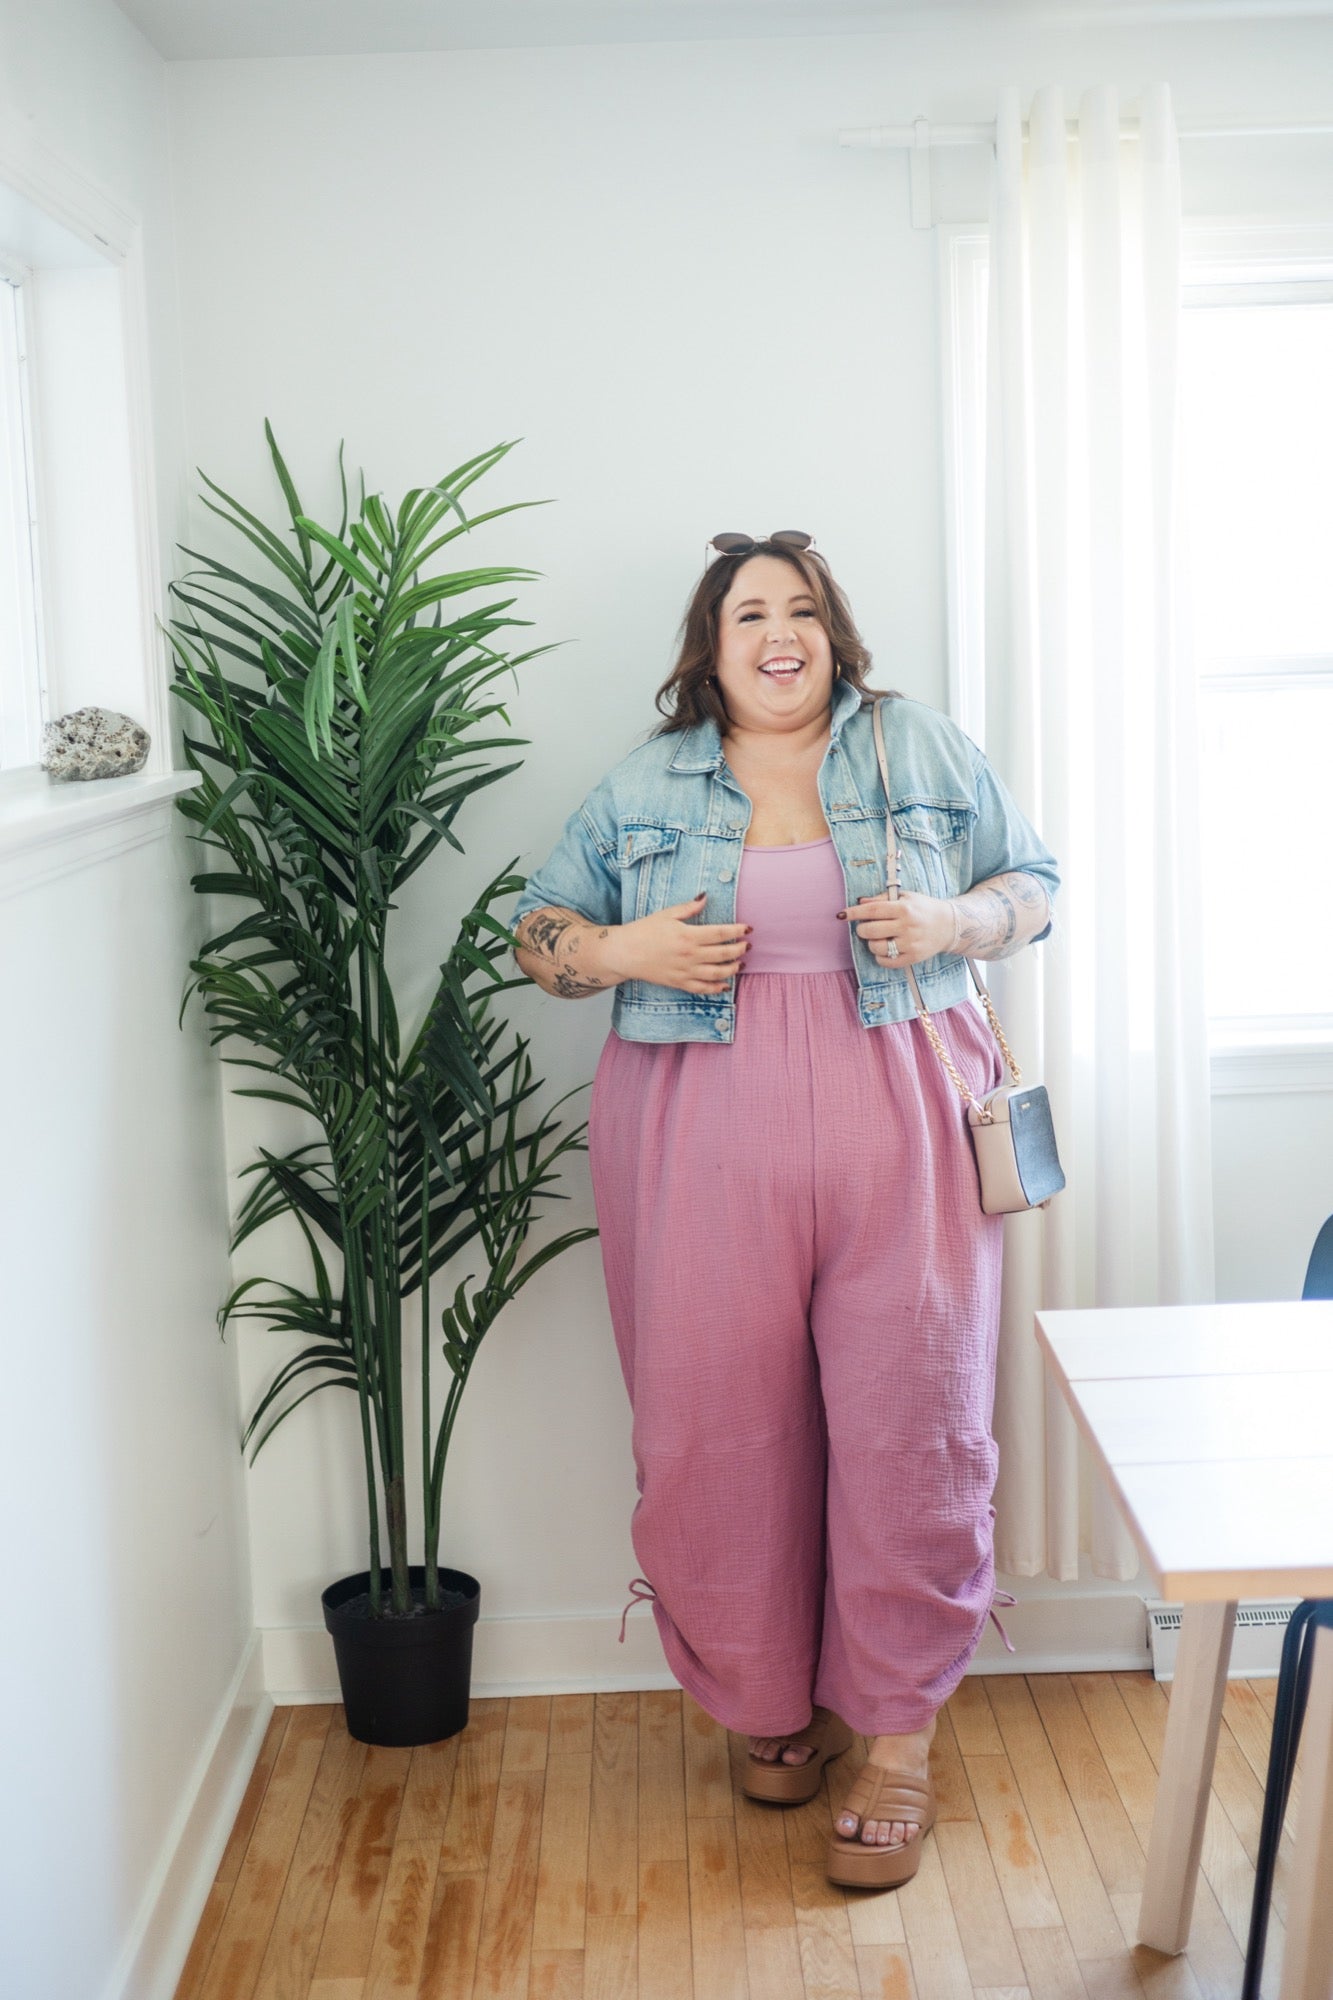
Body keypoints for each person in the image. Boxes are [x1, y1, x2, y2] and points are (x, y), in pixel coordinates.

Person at [507, 532, 1059, 1890]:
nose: (780, 631)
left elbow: (1029, 887)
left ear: (834, 633)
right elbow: (534, 932)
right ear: (709, 645)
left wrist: (954, 924)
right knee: (714, 1422)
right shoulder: (646, 779)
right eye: (750, 610)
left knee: (909, 1415)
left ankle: (895, 1737)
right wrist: (619, 950)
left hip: (906, 1103)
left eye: (802, 608)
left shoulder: (915, 747)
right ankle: (759, 1698)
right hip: (693, 1113)